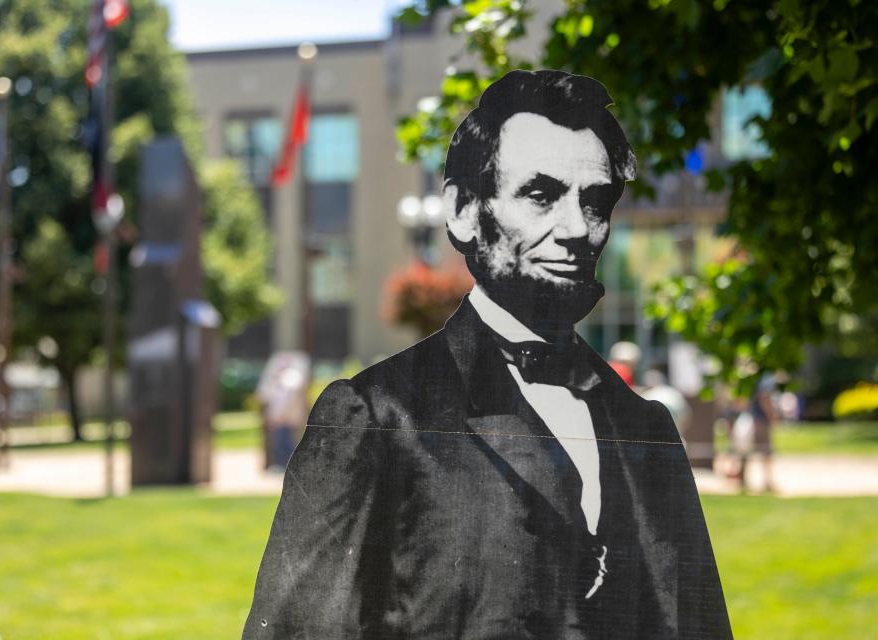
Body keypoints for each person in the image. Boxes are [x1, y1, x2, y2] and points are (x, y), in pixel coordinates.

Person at [242, 70, 731, 639]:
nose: (576, 227)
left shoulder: (647, 428)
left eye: (594, 202)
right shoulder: (374, 419)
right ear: (464, 210)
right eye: (541, 195)